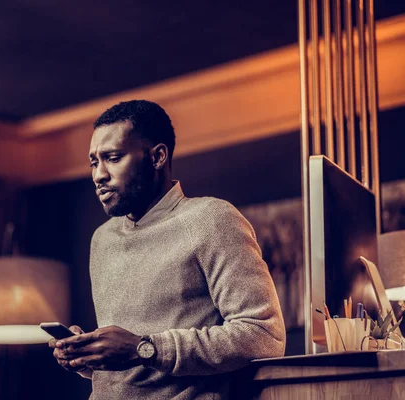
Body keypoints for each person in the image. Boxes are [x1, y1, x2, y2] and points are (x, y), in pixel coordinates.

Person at [49, 100, 286, 399]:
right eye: (94, 162)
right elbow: (135, 366)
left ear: (158, 156)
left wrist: (142, 348)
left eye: (113, 157)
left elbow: (263, 335)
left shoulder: (211, 219)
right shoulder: (103, 240)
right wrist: (89, 357)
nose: (99, 175)